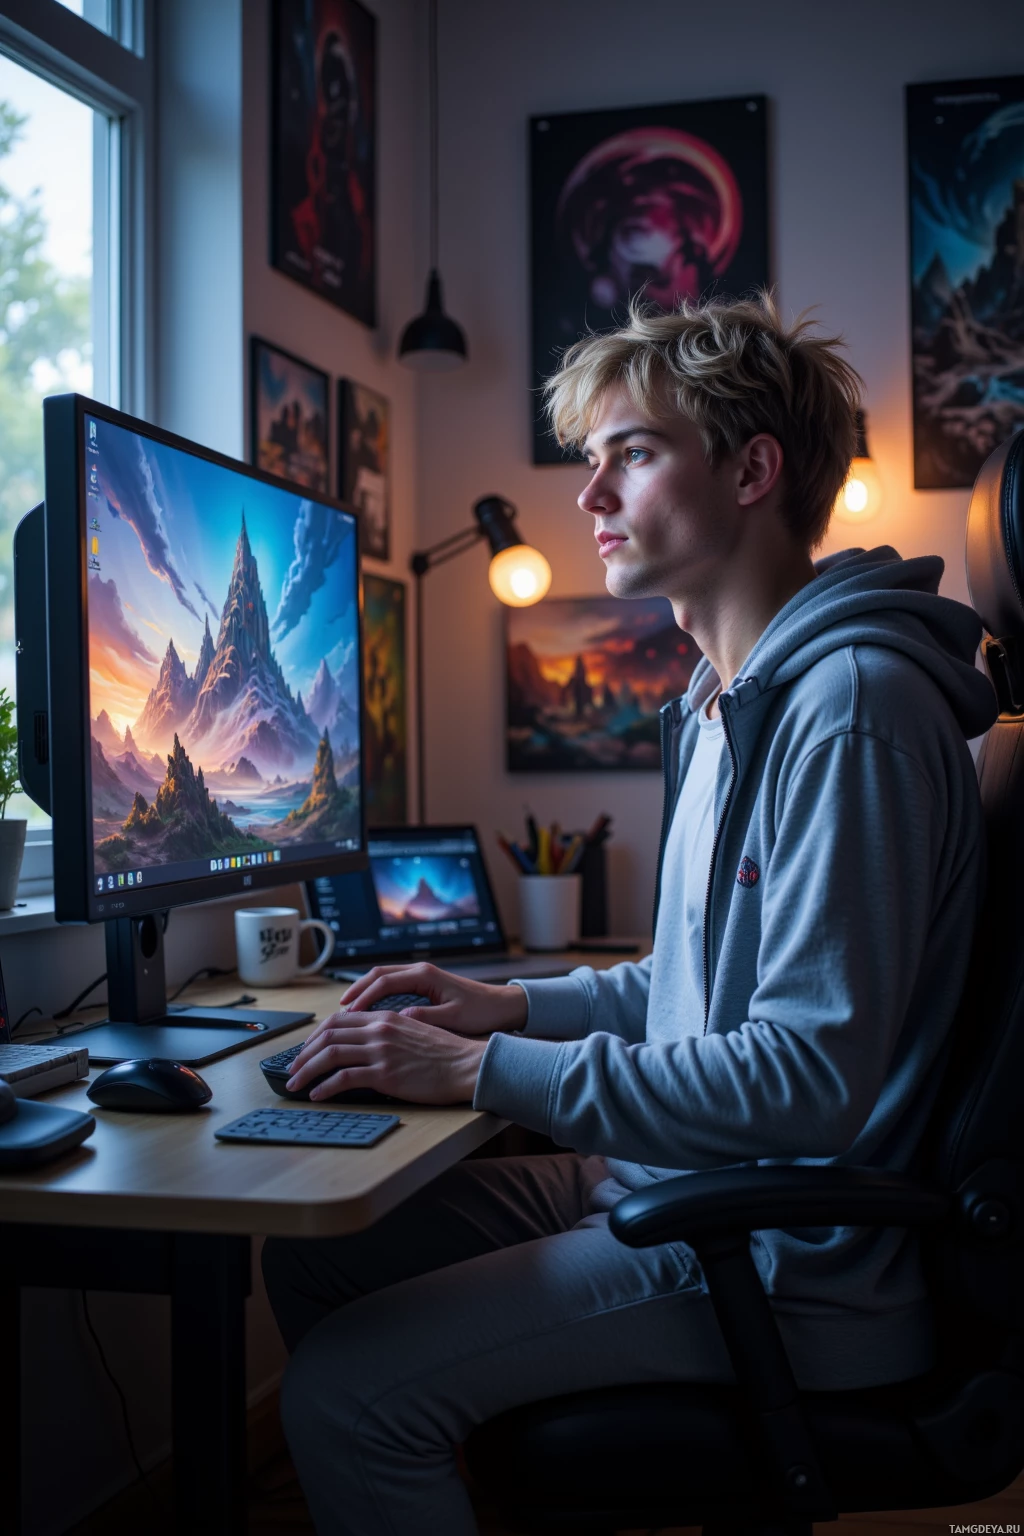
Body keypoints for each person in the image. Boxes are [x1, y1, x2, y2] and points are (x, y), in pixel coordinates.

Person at [262, 292, 997, 1536]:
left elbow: (807, 1076)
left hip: (785, 1254)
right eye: (589, 461)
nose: (589, 497)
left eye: (633, 454)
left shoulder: (848, 710)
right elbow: (692, 987)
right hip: (681, 1183)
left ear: (753, 469)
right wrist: (505, 1004)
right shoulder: (733, 700)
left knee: (344, 1397)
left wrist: (484, 1068)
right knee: (320, 1256)